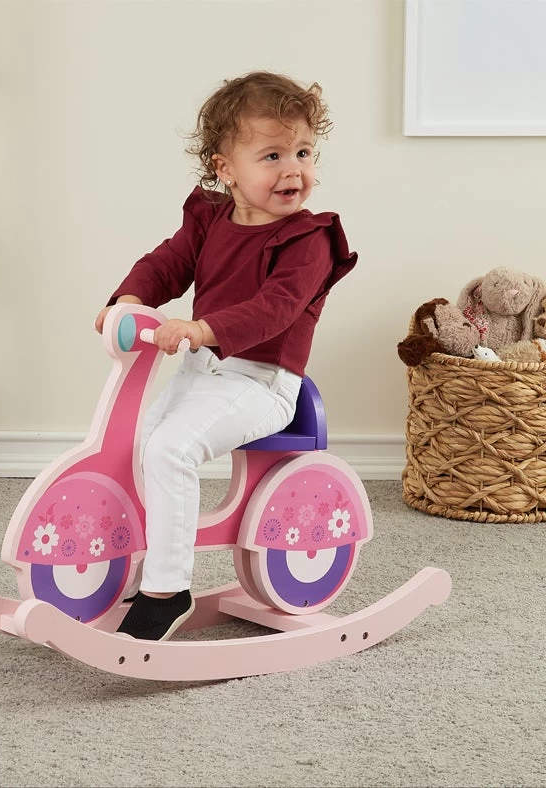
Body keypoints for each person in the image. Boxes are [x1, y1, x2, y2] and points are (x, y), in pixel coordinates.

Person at [94, 70, 357, 641]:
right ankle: (137, 566)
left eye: (304, 152)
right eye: (272, 156)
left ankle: (167, 590)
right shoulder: (210, 219)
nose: (293, 170)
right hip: (202, 370)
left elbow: (274, 309)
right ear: (226, 169)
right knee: (136, 445)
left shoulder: (309, 239)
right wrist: (129, 300)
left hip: (262, 381)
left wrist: (201, 328)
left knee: (171, 448)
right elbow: (166, 263)